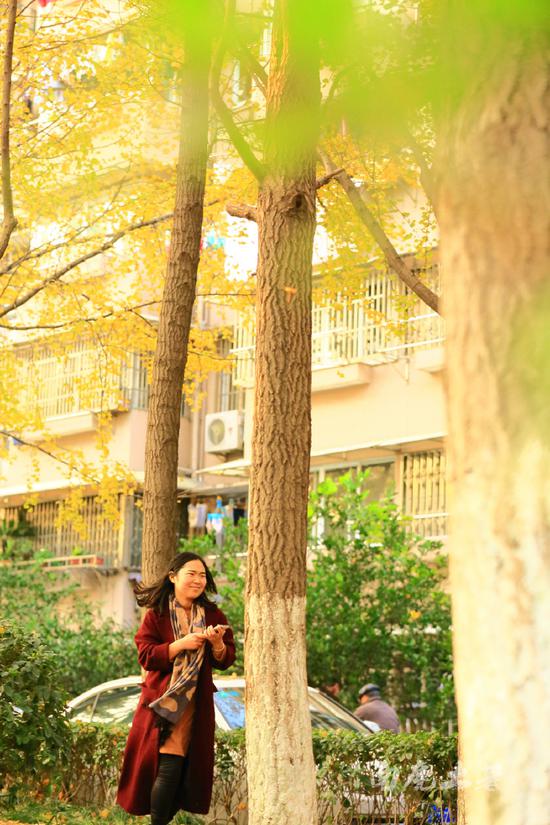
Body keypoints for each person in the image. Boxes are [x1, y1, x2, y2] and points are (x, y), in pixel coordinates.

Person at [117, 552, 236, 824]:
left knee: (182, 773)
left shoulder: (213, 614)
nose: (198, 580)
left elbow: (226, 658)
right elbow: (146, 655)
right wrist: (180, 644)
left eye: (202, 575)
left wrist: (216, 643)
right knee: (170, 766)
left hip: (197, 705)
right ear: (173, 577)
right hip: (163, 704)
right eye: (191, 574)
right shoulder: (156, 616)